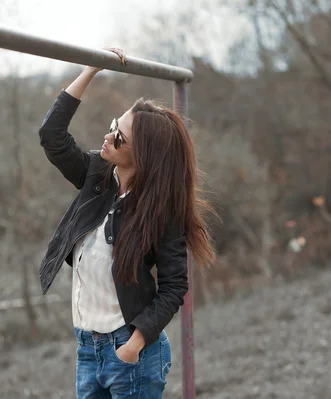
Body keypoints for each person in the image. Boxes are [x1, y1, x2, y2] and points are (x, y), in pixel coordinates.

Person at [38, 48, 215, 398]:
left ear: (142, 155)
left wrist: (134, 344)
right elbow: (52, 137)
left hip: (130, 352)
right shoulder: (97, 175)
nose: (108, 137)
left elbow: (174, 286)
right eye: (112, 126)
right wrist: (91, 69)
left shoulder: (161, 210)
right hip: (88, 348)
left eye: (119, 137)